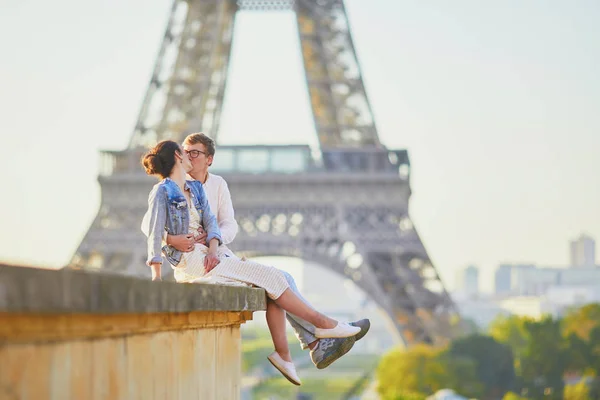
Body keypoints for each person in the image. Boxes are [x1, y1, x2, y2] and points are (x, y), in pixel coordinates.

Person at [141, 140, 366, 385]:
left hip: (213, 255)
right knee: (273, 278)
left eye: (195, 152)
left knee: (274, 281)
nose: (189, 157)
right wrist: (157, 271)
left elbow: (216, 224)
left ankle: (287, 353)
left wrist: (214, 249)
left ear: (209, 158)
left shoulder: (198, 187)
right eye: (186, 152)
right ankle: (322, 326)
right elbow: (151, 229)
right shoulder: (162, 190)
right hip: (191, 261)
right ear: (177, 155)